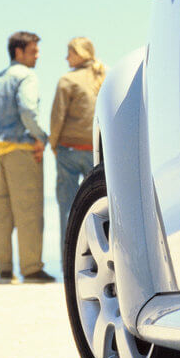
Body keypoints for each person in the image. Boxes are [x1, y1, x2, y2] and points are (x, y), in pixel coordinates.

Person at [0, 31, 56, 284]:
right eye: (33, 51)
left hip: (0, 150)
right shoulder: (27, 76)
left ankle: (4, 270)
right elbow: (28, 110)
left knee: (2, 214)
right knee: (29, 210)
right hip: (22, 149)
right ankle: (31, 269)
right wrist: (41, 137)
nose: (37, 56)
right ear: (18, 52)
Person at [49, 37, 105, 246]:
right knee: (100, 208)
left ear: (80, 53)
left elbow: (57, 118)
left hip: (69, 151)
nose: (66, 58)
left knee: (67, 208)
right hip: (98, 152)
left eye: (69, 53)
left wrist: (53, 145)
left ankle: (68, 264)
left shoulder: (67, 80)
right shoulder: (106, 73)